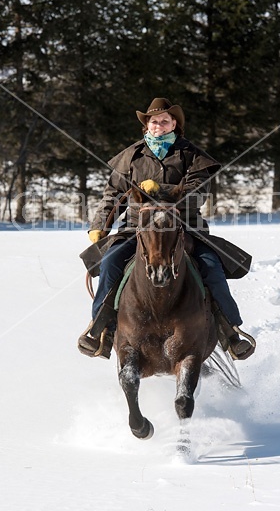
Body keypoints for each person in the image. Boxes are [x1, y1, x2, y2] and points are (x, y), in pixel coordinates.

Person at [78, 97, 256, 361]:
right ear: (146, 126)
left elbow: (197, 193)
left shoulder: (192, 156)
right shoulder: (131, 156)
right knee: (111, 262)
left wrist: (159, 191)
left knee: (211, 267)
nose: (158, 125)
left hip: (184, 228)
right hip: (138, 229)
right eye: (153, 121)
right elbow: (112, 194)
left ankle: (231, 332)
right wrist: (100, 226)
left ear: (175, 124)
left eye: (164, 121)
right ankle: (100, 330)